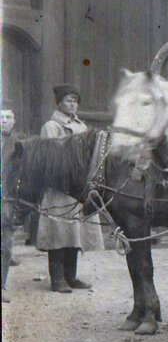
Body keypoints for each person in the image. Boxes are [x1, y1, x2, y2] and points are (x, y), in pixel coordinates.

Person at [37, 85, 105, 293]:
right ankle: (57, 279)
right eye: (68, 100)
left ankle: (71, 276)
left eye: (75, 100)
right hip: (59, 186)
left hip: (78, 186)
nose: (72, 104)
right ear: (59, 103)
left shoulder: (81, 126)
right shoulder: (51, 126)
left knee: (75, 231)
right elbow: (49, 156)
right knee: (58, 231)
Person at [2, 103, 20, 302]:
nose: (4, 121)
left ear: (14, 121)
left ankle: (1, 285)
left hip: (7, 198)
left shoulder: (19, 143)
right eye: (1, 117)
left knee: (5, 244)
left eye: (8, 117)